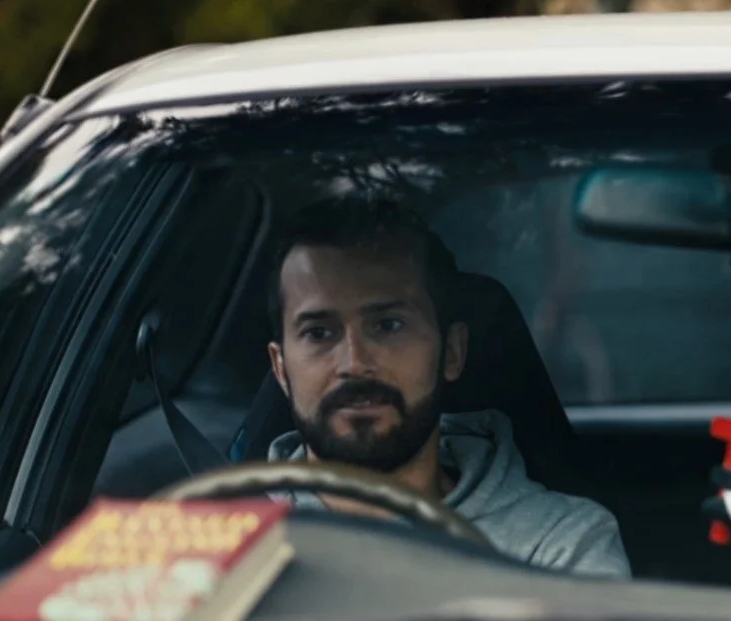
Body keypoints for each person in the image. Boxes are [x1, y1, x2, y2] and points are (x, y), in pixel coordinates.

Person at [265, 196, 631, 579]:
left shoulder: (558, 543)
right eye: (319, 333)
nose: (354, 364)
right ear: (280, 368)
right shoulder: (231, 538)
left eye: (389, 325)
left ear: (452, 351)